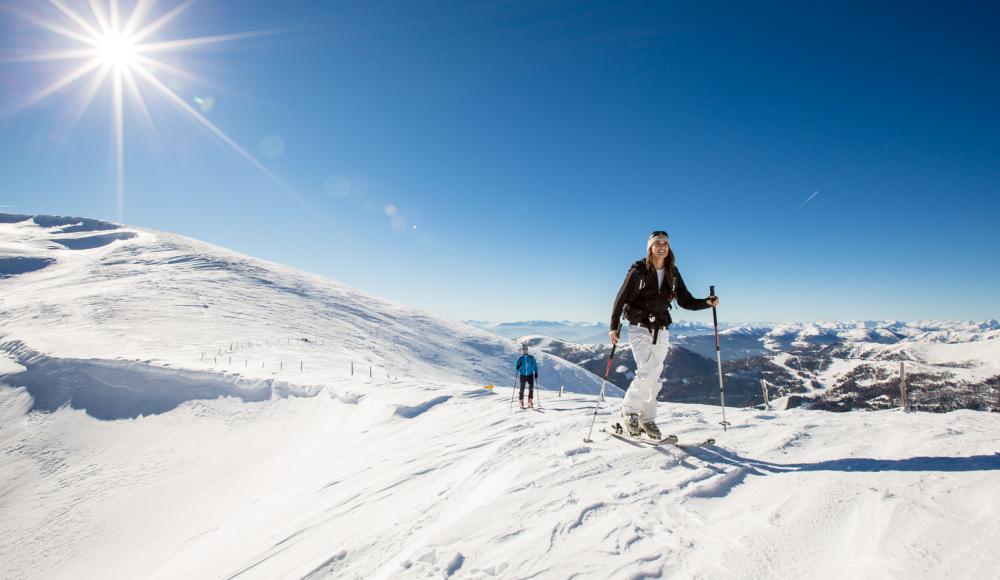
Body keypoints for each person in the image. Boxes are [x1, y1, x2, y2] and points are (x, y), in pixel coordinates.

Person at [608, 230, 720, 438]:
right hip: (639, 326)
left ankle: (647, 419)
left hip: (662, 329)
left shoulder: (672, 273)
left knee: (655, 375)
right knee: (647, 370)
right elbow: (621, 297)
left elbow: (685, 301)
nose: (662, 246)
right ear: (650, 248)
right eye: (657, 243)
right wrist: (613, 326)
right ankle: (629, 411)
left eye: (665, 243)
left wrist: (706, 303)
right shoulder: (639, 270)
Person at [514, 344, 539, 409]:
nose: (524, 351)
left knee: (531, 388)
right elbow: (516, 367)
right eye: (523, 349)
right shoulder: (520, 358)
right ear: (522, 350)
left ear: (527, 350)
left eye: (525, 349)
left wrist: (536, 372)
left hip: (530, 375)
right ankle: (521, 401)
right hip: (523, 375)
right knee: (522, 389)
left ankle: (530, 401)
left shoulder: (531, 357)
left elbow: (535, 365)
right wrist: (517, 366)